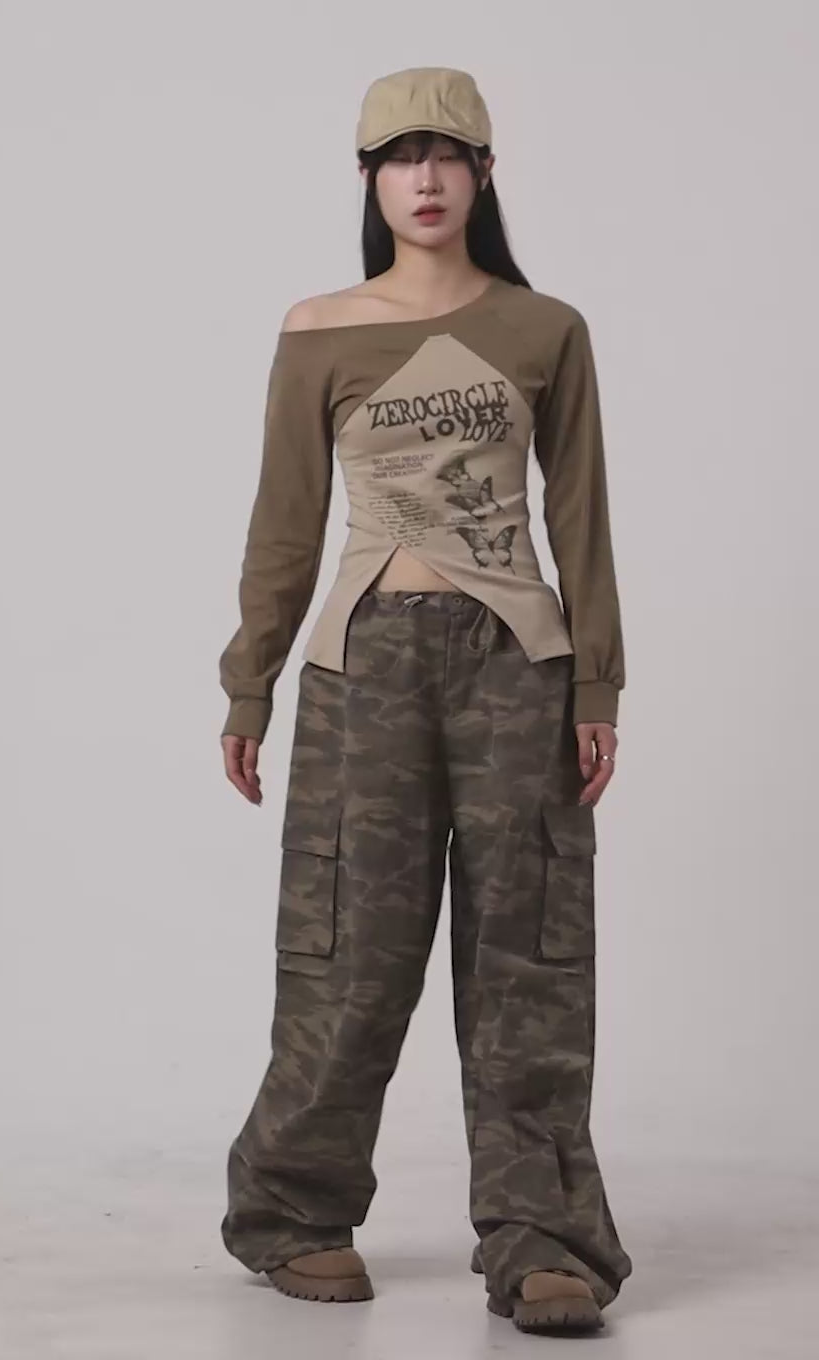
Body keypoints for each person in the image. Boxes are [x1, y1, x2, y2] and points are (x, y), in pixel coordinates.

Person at [216, 65, 632, 1335]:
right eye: (402, 156)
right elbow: (286, 523)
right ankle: (295, 1212)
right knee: (346, 946)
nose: (427, 177)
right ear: (370, 179)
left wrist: (597, 679)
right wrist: (250, 682)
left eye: (449, 154)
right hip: (365, 670)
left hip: (518, 666)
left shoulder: (544, 328)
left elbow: (579, 515)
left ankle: (542, 1236)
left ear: (486, 174)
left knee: (529, 958)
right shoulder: (319, 329)